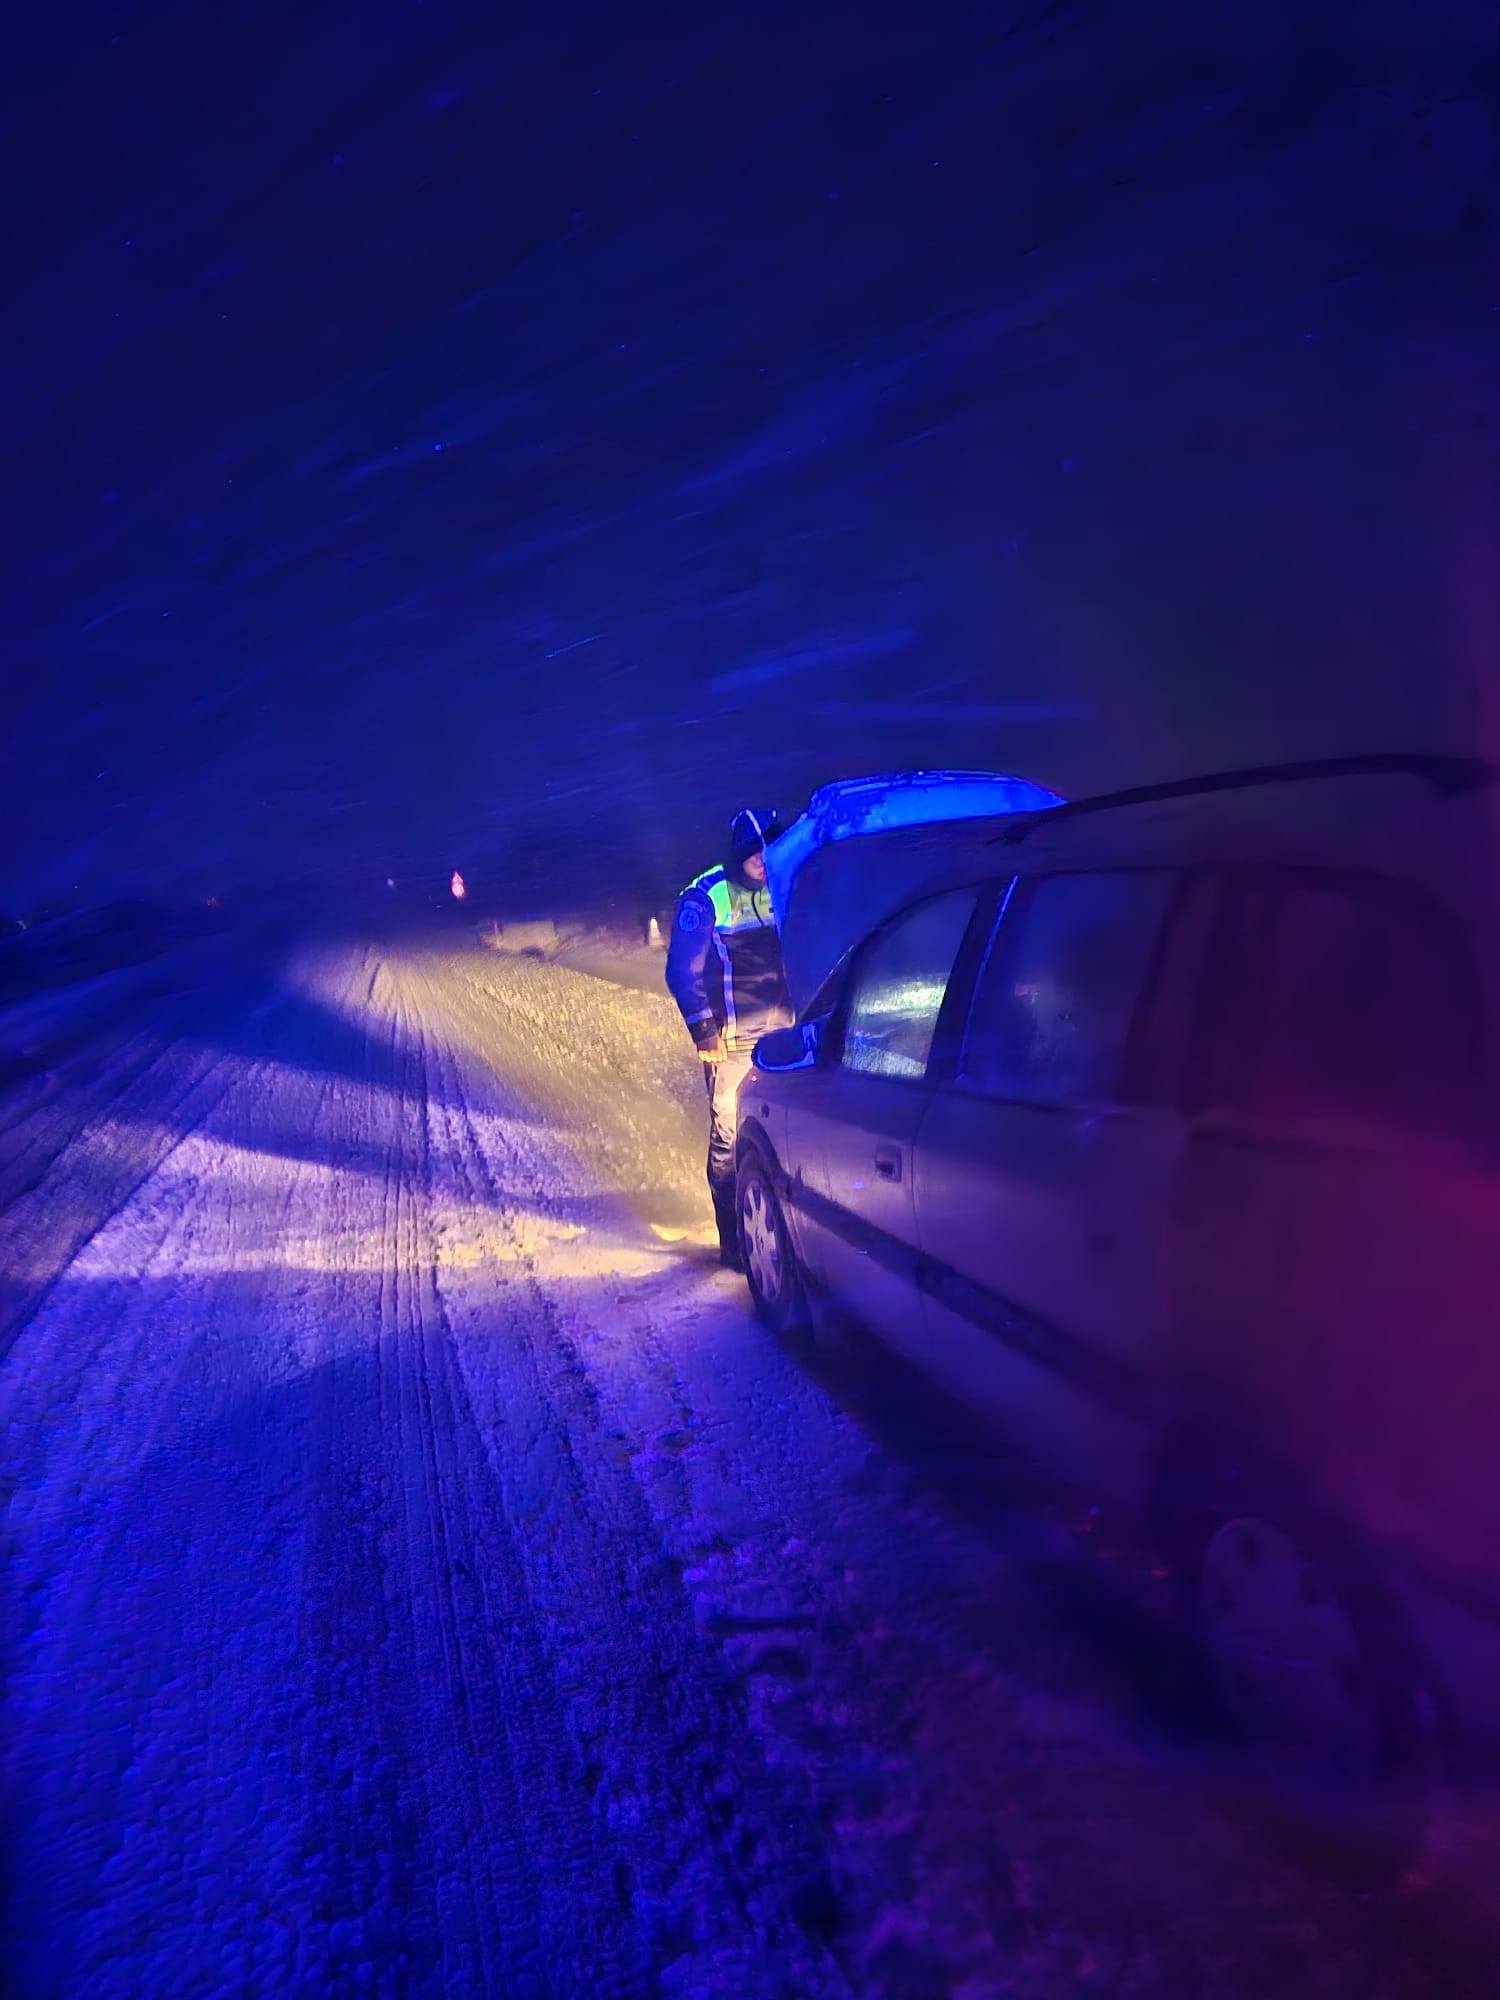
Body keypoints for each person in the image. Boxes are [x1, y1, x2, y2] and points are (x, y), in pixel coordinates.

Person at [666, 806, 794, 1267]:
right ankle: (736, 1243)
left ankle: (790, 1235)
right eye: (752, 852)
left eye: (768, 850)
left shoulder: (789, 881)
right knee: (729, 1141)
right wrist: (704, 1031)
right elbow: (682, 971)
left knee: (790, 1135)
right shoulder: (708, 895)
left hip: (790, 1036)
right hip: (733, 1043)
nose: (762, 859)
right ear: (737, 854)